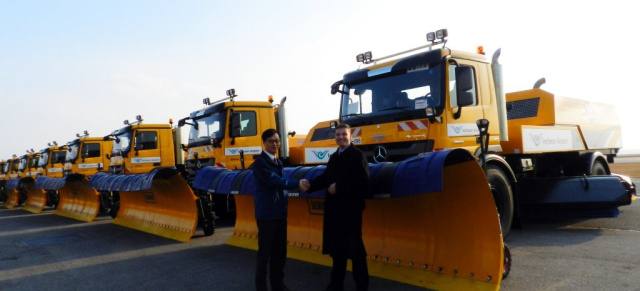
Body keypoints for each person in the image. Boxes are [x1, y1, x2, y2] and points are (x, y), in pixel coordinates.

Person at [300, 123, 370, 291]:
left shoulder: (358, 156)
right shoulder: (334, 157)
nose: (340, 137)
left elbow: (363, 183)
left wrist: (339, 187)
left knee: (355, 251)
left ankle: (362, 285)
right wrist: (310, 184)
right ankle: (336, 284)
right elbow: (326, 178)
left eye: (343, 134)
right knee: (337, 249)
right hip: (335, 211)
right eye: (338, 135)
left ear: (350, 136)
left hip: (351, 212)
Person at [253, 128, 305, 291]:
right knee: (265, 254)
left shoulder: (278, 162)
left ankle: (278, 285)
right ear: (264, 143)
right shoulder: (260, 164)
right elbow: (274, 180)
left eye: (277, 141)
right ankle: (261, 287)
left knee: (279, 253)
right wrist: (297, 183)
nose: (275, 144)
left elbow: (281, 182)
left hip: (280, 213)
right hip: (267, 215)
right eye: (271, 141)